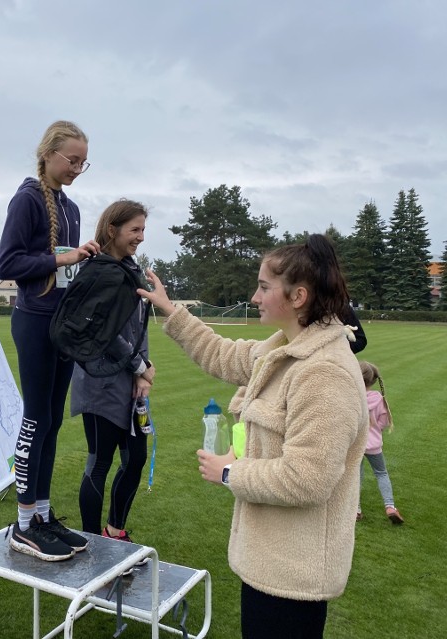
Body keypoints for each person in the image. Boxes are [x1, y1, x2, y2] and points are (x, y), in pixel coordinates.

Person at [138, 234, 369, 639]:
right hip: (269, 566)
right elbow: (222, 353)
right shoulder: (284, 348)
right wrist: (171, 310)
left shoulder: (324, 373)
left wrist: (231, 472)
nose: (255, 296)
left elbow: (308, 479)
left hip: (294, 579)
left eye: (264, 287)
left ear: (298, 296)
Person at [0, 120, 99, 561]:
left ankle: (40, 514)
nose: (77, 168)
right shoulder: (27, 199)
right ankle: (21, 525)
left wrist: (83, 261)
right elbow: (7, 262)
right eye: (71, 160)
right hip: (34, 322)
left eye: (83, 162)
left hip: (63, 326)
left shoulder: (70, 207)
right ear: (49, 154)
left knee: (54, 421)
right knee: (36, 419)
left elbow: (65, 268)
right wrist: (64, 256)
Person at [70, 200, 155, 545]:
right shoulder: (97, 271)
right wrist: (138, 365)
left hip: (131, 381)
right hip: (99, 382)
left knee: (135, 457)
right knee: (100, 462)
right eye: (135, 230)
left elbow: (140, 325)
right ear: (112, 230)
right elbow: (101, 331)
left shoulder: (131, 269)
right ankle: (92, 543)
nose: (141, 237)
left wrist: (143, 369)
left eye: (143, 230)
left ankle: (114, 531)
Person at [358, 360, 404, 524]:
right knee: (381, 473)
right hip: (374, 444)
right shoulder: (379, 399)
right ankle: (390, 506)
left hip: (356, 444)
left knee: (357, 476)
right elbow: (383, 423)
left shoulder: (352, 397)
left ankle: (356, 510)